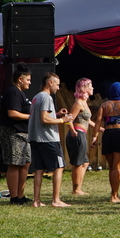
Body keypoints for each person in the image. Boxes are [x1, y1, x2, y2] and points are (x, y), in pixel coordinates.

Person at [28, 72, 74, 208]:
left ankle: (36, 201)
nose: (58, 88)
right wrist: (62, 120)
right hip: (48, 139)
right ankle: (56, 200)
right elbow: (44, 119)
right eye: (57, 85)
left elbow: (42, 116)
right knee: (59, 166)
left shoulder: (36, 97)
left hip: (35, 138)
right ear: (50, 83)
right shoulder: (46, 97)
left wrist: (57, 114)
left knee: (39, 169)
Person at [91, 81, 120, 203]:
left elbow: (98, 121)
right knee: (117, 167)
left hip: (107, 134)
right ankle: (114, 196)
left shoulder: (104, 105)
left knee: (112, 167)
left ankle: (113, 193)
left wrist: (94, 137)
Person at [0, 64, 32, 205]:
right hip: (12, 132)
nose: (30, 82)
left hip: (23, 133)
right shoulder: (13, 92)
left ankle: (21, 195)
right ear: (20, 79)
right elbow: (12, 113)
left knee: (25, 162)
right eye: (28, 80)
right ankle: (14, 197)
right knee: (14, 164)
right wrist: (31, 117)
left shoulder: (20, 92)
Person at [65, 77, 94, 196]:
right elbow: (69, 119)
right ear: (84, 88)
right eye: (90, 86)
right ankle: (76, 190)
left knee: (85, 162)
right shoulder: (78, 103)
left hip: (82, 133)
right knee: (78, 163)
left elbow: (88, 120)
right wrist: (72, 130)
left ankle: (79, 188)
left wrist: (100, 129)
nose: (93, 88)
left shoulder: (84, 103)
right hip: (77, 134)